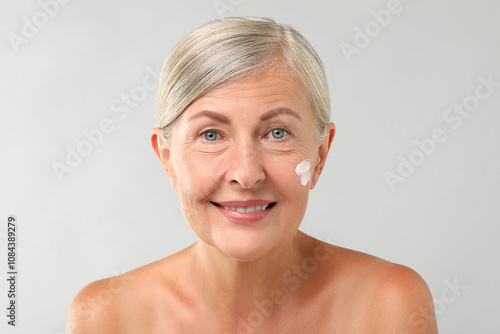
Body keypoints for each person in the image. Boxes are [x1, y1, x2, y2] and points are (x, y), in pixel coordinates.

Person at [67, 17, 438, 333]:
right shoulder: (106, 316)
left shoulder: (387, 306)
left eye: (277, 133)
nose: (246, 175)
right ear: (167, 159)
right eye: (211, 135)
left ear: (321, 155)